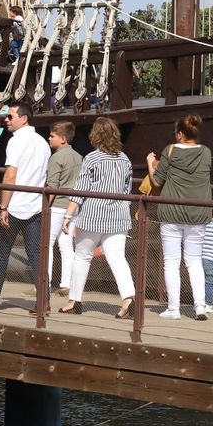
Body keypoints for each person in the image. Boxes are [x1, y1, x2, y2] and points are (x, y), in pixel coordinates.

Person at [0, 102, 52, 311]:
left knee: (2, 252)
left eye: (11, 116)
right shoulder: (42, 143)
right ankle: (43, 301)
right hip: (35, 206)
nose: (6, 120)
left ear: (23, 119)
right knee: (36, 255)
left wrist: (3, 206)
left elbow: (11, 175)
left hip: (16, 206)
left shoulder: (15, 142)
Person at [58, 116, 136, 318]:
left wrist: (68, 214)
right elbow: (127, 190)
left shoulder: (92, 159)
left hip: (93, 214)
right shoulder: (124, 159)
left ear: (95, 135)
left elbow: (80, 190)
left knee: (82, 256)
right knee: (117, 258)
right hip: (118, 216)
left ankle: (74, 301)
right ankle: (128, 298)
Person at [148, 114, 213, 320]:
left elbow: (157, 182)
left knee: (171, 261)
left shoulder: (171, 150)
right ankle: (200, 307)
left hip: (172, 212)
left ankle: (174, 308)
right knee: (194, 261)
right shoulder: (206, 152)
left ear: (179, 134)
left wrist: (150, 163)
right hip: (198, 211)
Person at [44, 120, 83, 295]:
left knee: (46, 244)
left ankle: (44, 282)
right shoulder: (78, 157)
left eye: (52, 136)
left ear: (62, 139)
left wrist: (44, 207)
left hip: (57, 206)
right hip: (73, 207)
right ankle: (66, 283)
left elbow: (51, 186)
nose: (49, 138)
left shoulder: (56, 157)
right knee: (66, 247)